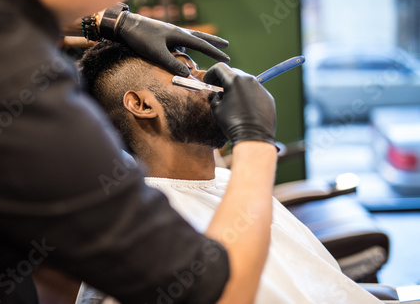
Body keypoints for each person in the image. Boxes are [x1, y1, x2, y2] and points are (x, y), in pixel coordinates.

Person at [0, 0, 278, 303]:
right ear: (139, 103)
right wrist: (256, 139)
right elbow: (213, 293)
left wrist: (106, 21)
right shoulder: (6, 85)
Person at [77, 41, 382, 304]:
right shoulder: (149, 232)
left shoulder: (224, 183)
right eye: (184, 70)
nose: (208, 76)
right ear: (142, 104)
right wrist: (255, 138)